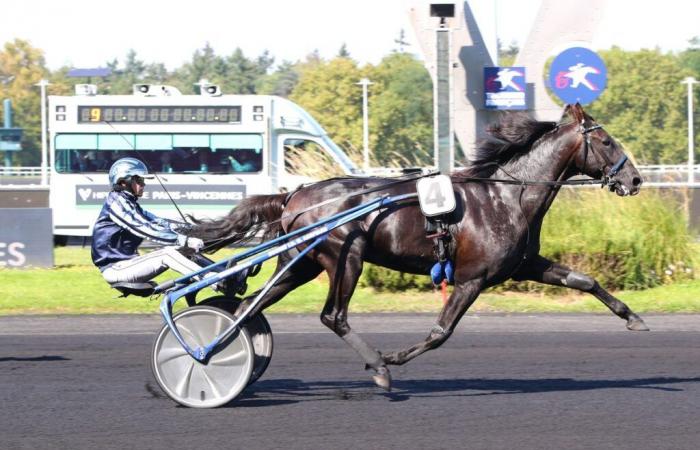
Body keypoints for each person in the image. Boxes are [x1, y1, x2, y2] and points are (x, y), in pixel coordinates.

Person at [91, 157, 213, 288]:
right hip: (115, 268)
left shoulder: (130, 204)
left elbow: (159, 222)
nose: (143, 184)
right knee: (167, 254)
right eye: (138, 180)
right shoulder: (116, 203)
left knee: (184, 250)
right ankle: (213, 280)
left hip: (129, 264)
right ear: (123, 182)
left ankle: (222, 273)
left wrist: (195, 230)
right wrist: (183, 240)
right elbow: (144, 228)